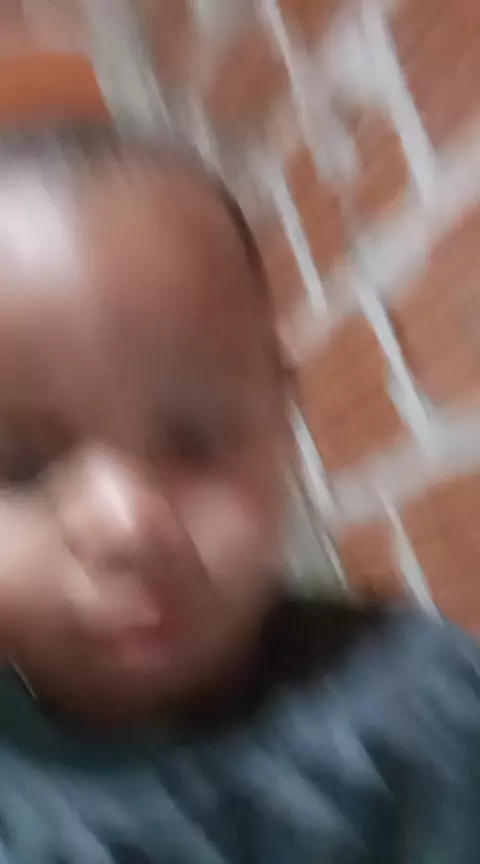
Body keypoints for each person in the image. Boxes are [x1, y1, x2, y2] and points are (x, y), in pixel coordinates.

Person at [0, 123, 478, 863]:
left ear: (282, 418)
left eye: (195, 439)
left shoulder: (428, 711)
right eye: (22, 467)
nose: (126, 524)